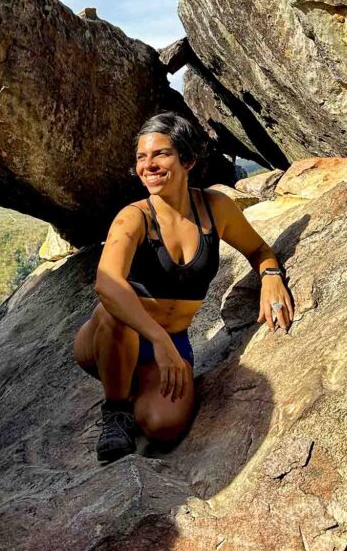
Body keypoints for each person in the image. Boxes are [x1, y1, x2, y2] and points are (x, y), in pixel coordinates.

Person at [73, 111, 294, 464]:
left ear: (187, 159)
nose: (149, 166)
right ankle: (115, 410)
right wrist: (158, 339)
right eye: (141, 158)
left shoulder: (215, 208)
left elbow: (259, 249)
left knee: (162, 428)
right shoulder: (134, 217)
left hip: (171, 342)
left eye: (161, 154)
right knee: (115, 312)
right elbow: (107, 284)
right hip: (117, 332)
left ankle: (134, 387)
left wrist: (270, 277)